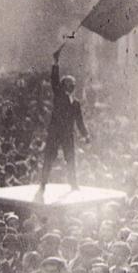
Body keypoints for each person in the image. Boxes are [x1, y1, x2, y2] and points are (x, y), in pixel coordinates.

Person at [39, 46, 90, 191]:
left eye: (71, 85)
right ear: (63, 85)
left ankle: (73, 183)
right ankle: (43, 182)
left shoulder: (76, 103)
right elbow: (54, 80)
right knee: (49, 157)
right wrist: (55, 63)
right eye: (67, 84)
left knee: (71, 159)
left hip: (67, 134)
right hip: (55, 133)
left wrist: (86, 135)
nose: (70, 87)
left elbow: (80, 122)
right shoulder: (59, 95)